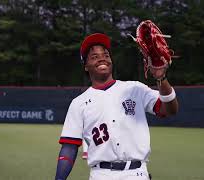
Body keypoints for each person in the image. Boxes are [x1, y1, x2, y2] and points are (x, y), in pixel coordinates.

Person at [55, 33, 179, 180]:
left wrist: (161, 78)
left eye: (106, 55)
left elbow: (170, 109)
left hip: (136, 173)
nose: (102, 58)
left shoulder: (134, 88)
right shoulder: (79, 103)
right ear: (86, 66)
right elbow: (69, 147)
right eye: (94, 57)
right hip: (101, 174)